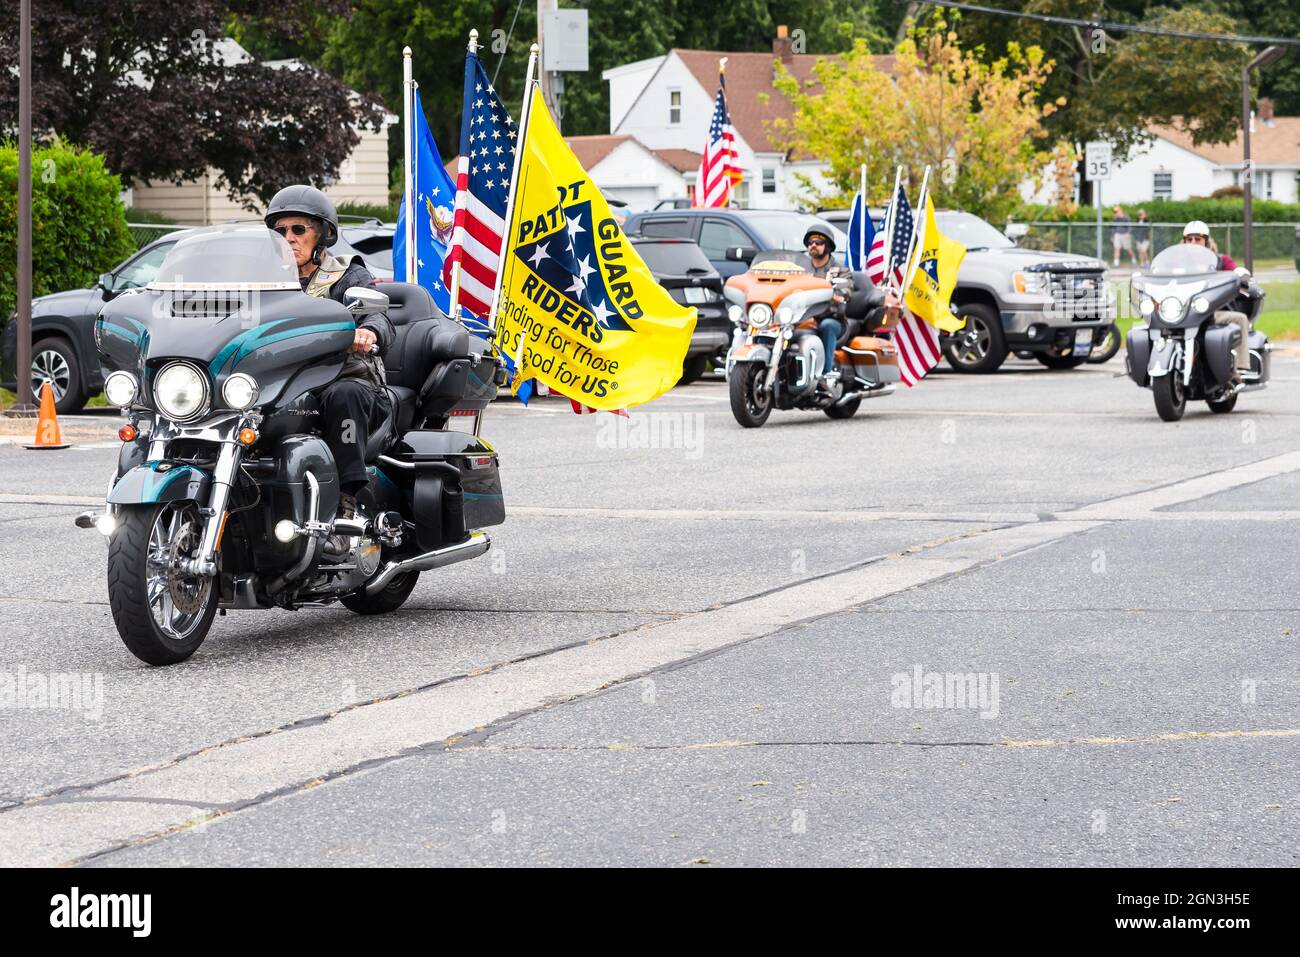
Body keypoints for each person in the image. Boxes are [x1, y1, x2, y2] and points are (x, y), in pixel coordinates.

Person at [264, 185, 394, 521]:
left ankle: (345, 501)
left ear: (322, 234)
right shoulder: (263, 281)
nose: (289, 237)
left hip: (345, 379)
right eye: (280, 231)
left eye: (298, 229)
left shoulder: (347, 273)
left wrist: (368, 331)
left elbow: (379, 316)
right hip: (282, 384)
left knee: (344, 394)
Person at [802, 224, 899, 383]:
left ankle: (825, 374)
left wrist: (836, 293)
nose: (813, 245)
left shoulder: (840, 271)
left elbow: (845, 293)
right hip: (802, 317)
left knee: (827, 326)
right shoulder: (801, 269)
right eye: (810, 242)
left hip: (833, 318)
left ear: (828, 246)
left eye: (818, 242)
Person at [1183, 220, 1249, 384]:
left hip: (1213, 314)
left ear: (1206, 241)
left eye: (1197, 239)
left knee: (1239, 318)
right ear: (1183, 241)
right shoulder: (1177, 264)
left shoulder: (1221, 261)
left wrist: (1240, 278)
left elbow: (1236, 274)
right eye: (1189, 239)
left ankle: (1237, 370)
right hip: (1182, 315)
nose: (1193, 242)